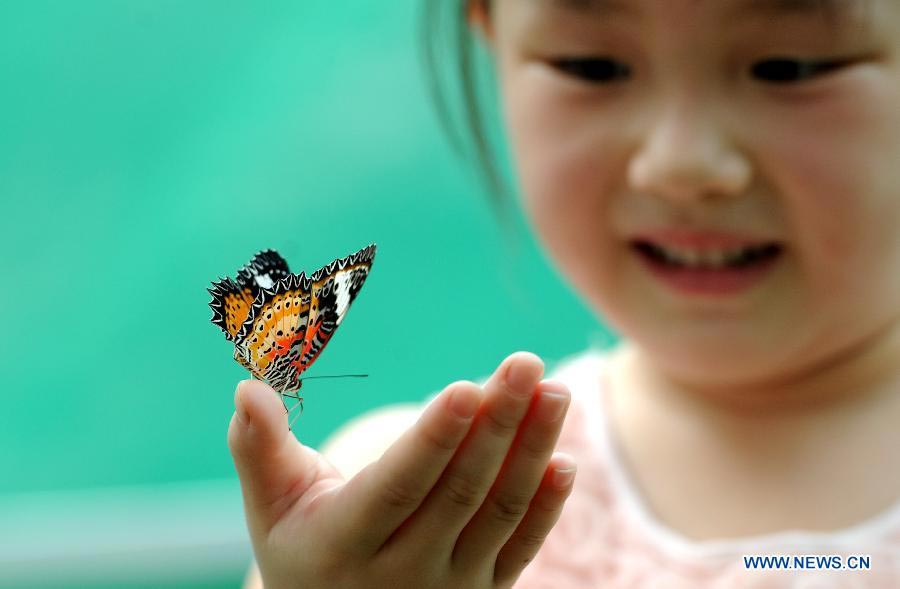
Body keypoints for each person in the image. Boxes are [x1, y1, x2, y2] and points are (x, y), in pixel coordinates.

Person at [228, 0, 900, 586]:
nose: (681, 164)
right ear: (492, 37)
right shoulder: (392, 515)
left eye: (791, 67)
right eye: (591, 66)